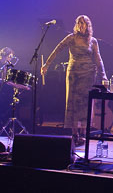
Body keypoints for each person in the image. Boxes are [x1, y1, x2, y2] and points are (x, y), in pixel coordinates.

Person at [41, 15, 107, 146]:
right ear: (76, 25)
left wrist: (103, 75)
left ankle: (83, 133)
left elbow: (98, 59)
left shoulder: (93, 41)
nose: (82, 26)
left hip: (88, 74)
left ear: (88, 26)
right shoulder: (71, 38)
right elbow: (57, 50)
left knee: (85, 103)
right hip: (73, 74)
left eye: (84, 24)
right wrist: (46, 65)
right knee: (72, 102)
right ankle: (74, 133)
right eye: (80, 23)